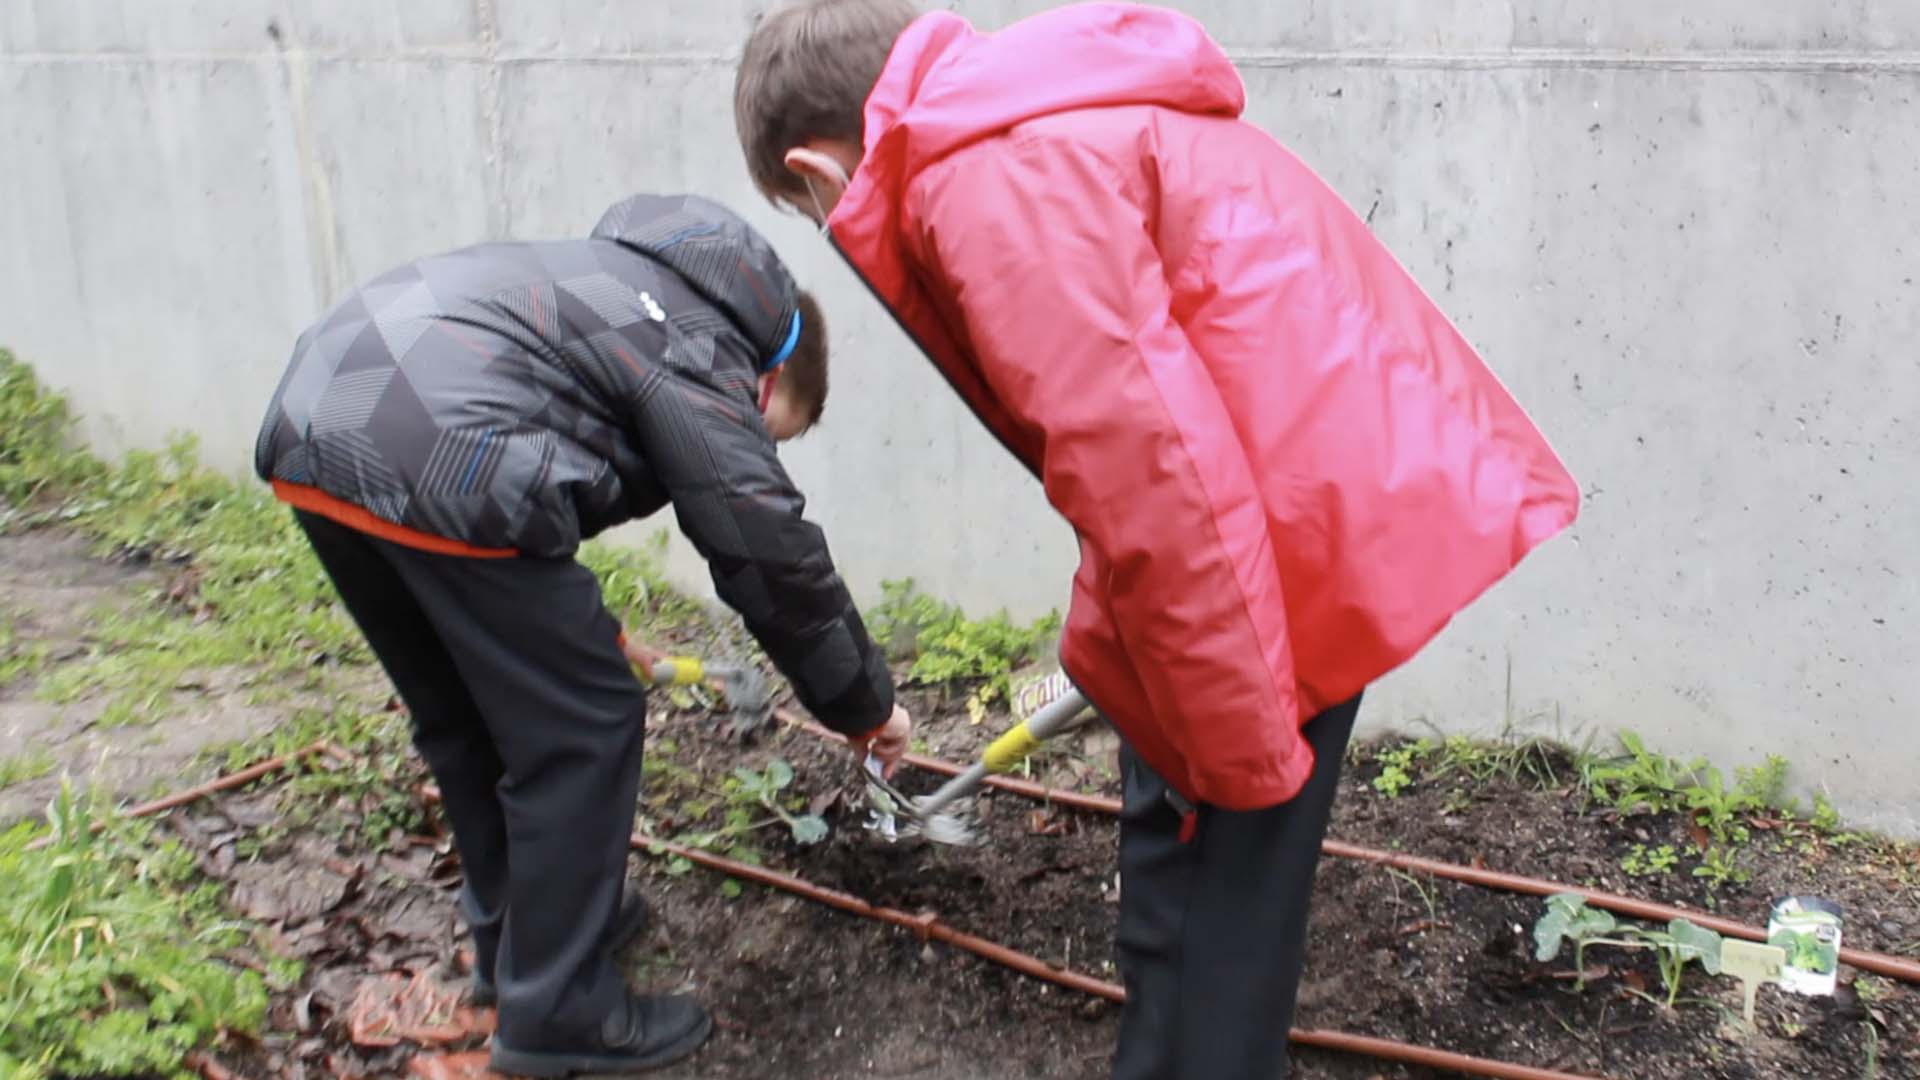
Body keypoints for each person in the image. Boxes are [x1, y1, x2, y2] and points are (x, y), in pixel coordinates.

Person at [733, 4, 1580, 1077]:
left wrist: (1229, 740)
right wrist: (1120, 657)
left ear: (817, 162)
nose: (831, 224)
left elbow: (1153, 474)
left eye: (811, 205)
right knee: (1188, 855)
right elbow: (1144, 443)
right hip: (1285, 511)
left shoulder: (986, 178)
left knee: (1223, 895)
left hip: (1279, 545)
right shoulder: (1019, 122)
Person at [253, 193, 911, 1077]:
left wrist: (588, 629)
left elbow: (531, 441)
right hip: (436, 452)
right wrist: (864, 706)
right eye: (768, 429)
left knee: (466, 711)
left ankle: (517, 948)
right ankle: (559, 1013)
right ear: (767, 379)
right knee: (587, 725)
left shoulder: (613, 287)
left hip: (320, 413)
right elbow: (767, 547)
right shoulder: (698, 348)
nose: (758, 442)